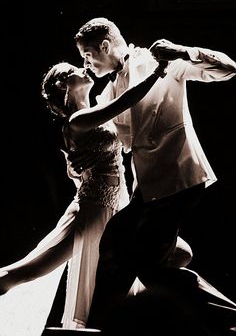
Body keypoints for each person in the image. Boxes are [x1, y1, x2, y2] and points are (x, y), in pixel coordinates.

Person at [0, 61, 192, 334]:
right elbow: (124, 102)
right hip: (92, 211)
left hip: (120, 205)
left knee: (180, 254)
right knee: (23, 273)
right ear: (62, 84)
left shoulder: (94, 112)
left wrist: (75, 167)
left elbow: (105, 148)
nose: (83, 68)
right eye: (74, 69)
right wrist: (156, 72)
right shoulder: (77, 120)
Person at [70, 17, 236, 331]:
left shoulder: (159, 62)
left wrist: (183, 51)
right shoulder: (106, 95)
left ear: (105, 46)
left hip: (179, 177)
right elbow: (108, 141)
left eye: (87, 54)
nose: (86, 62)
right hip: (147, 189)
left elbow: (228, 69)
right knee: (120, 246)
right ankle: (102, 324)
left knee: (139, 257)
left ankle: (227, 316)